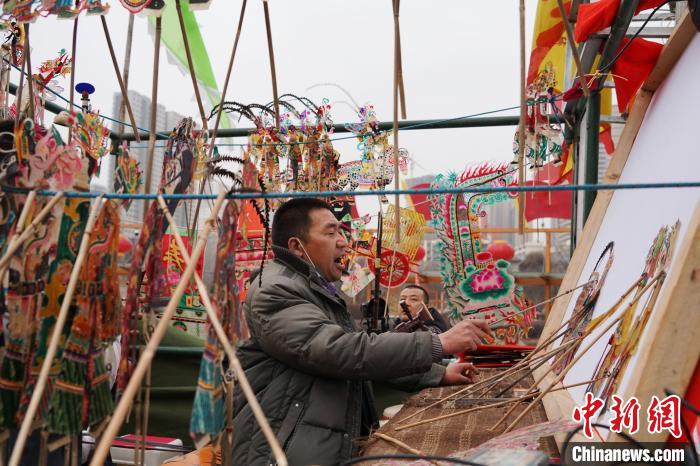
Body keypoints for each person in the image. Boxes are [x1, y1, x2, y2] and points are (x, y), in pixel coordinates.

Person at [232, 198, 492, 465]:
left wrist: (438, 373)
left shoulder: (316, 291)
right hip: (283, 453)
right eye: (331, 232)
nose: (343, 241)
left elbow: (361, 352)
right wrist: (438, 343)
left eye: (342, 232)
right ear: (297, 247)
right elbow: (341, 352)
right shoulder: (275, 289)